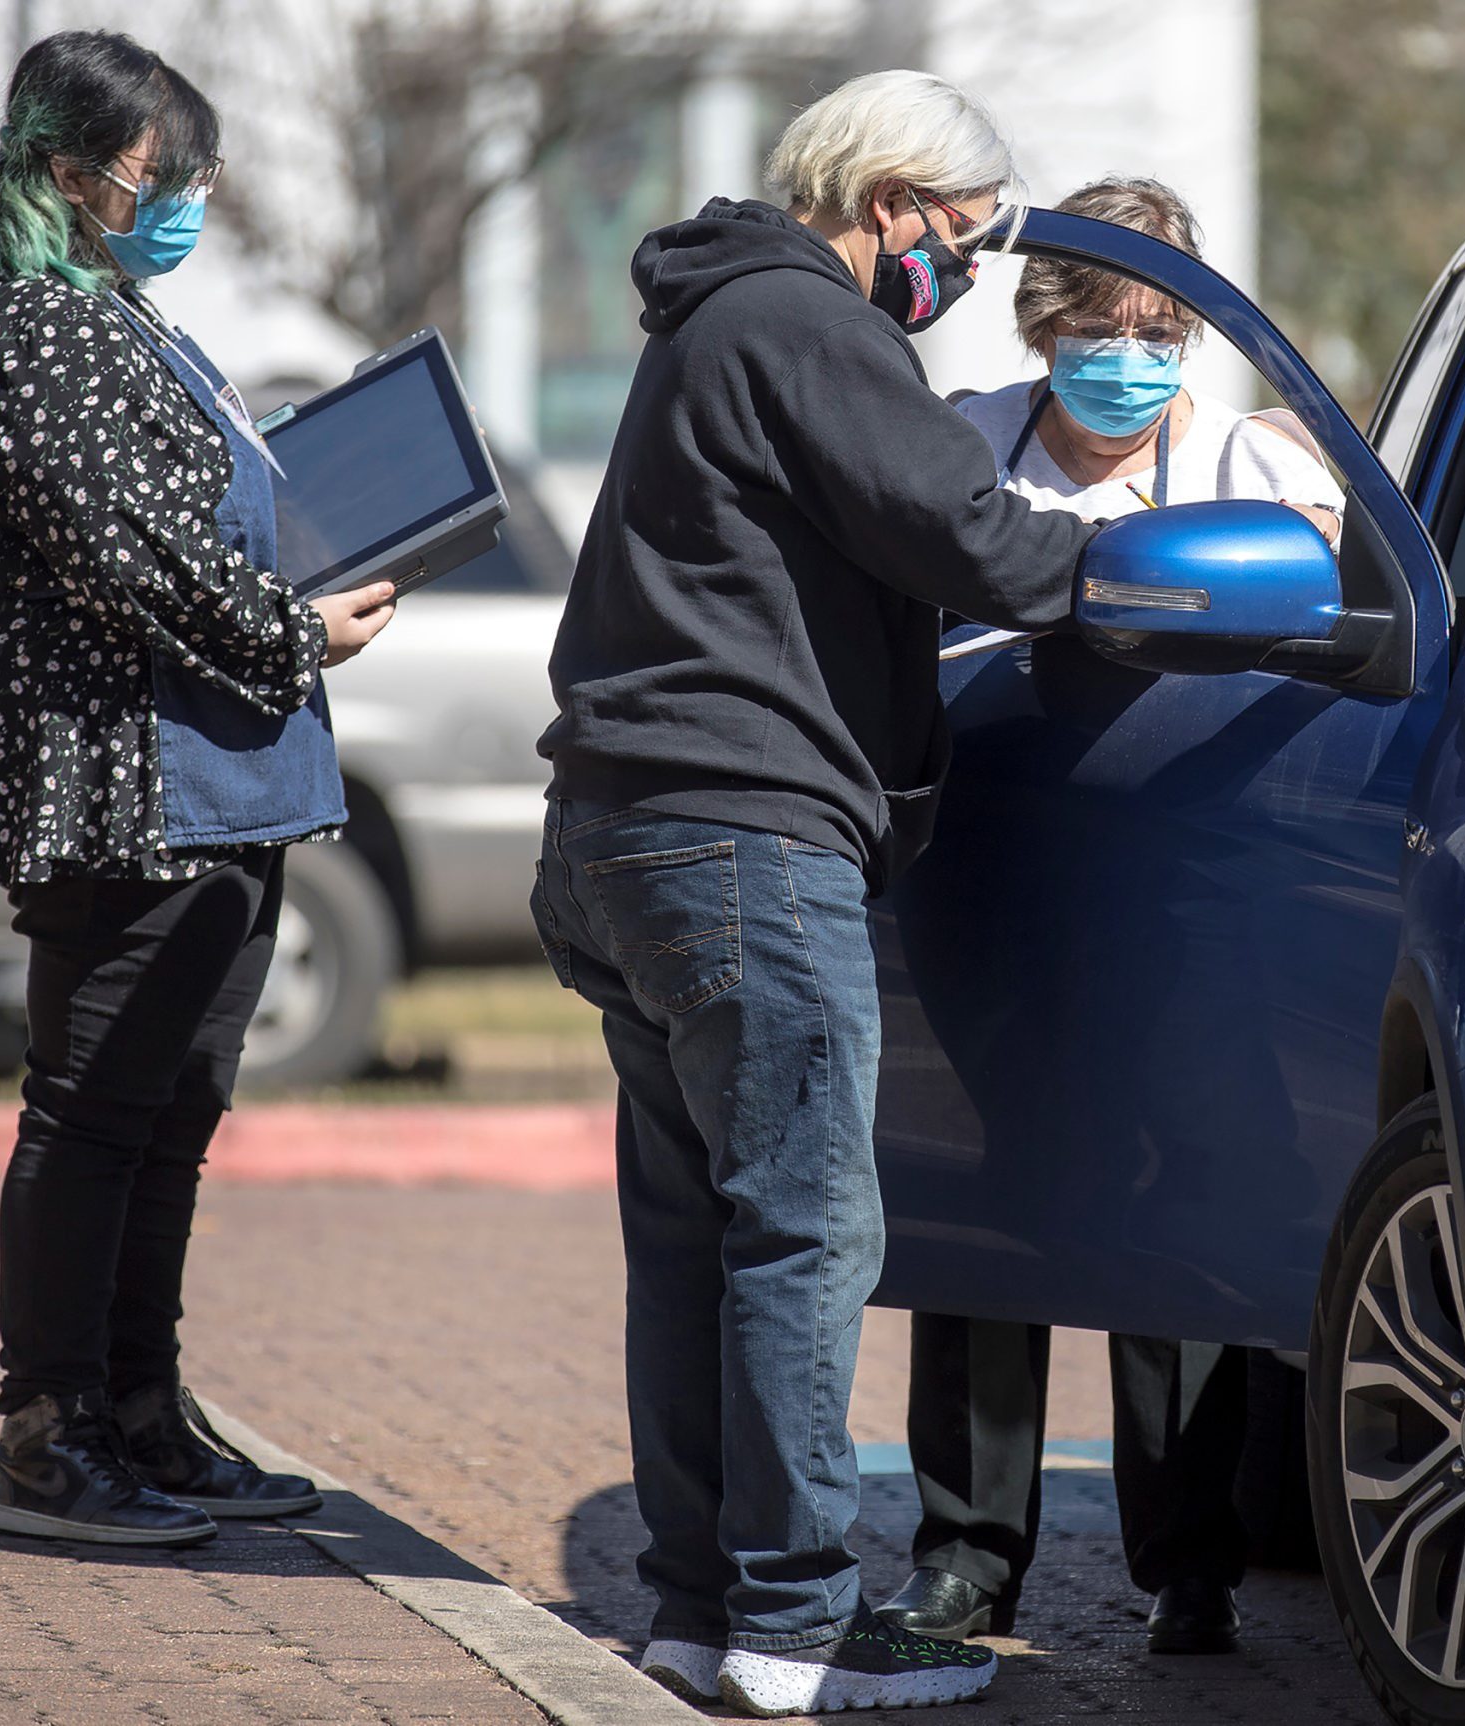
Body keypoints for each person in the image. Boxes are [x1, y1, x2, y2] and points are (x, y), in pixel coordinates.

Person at [530, 69, 1101, 1718]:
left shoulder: (706, 319)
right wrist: (1113, 565)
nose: (971, 279)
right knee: (801, 1231)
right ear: (890, 205)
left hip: (622, 833)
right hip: (741, 844)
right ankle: (798, 1623)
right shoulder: (809, 321)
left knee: (697, 1236)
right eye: (969, 244)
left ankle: (704, 1610)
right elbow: (964, 527)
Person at [0, 30, 398, 1549]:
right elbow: (127, 549)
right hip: (119, 780)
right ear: (65, 174)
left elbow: (203, 514)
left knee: (174, 1109)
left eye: (199, 174)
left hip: (221, 771)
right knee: (94, 1108)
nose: (186, 199)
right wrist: (290, 625)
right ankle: (48, 1435)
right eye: (158, 175)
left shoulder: (127, 316)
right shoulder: (36, 328)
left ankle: (139, 1409)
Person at [876, 176, 1345, 1659]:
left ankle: (1188, 1558)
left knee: (1181, 1197)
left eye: (1158, 327)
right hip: (986, 869)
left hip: (1193, 884)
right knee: (985, 1206)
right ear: (1045, 321)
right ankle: (965, 1556)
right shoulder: (963, 444)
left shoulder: (1259, 459)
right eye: (1095, 322)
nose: (1127, 354)